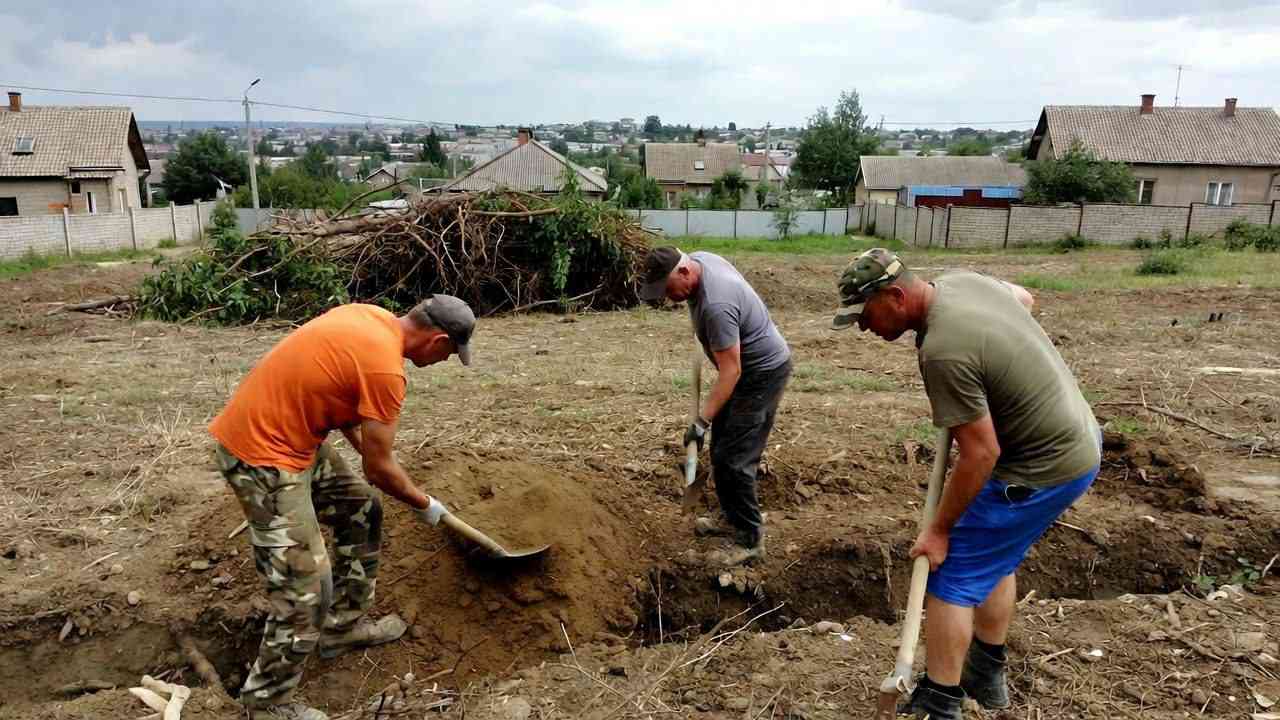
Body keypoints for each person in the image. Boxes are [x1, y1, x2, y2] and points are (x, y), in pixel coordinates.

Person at [832, 249, 1100, 720]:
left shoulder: (944, 351)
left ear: (895, 296)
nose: (863, 327)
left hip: (1042, 465)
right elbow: (1024, 298)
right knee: (994, 558)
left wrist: (938, 531)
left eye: (865, 314)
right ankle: (986, 675)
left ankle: (940, 701)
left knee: (952, 573)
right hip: (1078, 440)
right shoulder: (962, 283)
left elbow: (980, 454)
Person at [209, 295, 476, 720]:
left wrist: (380, 465)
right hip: (262, 457)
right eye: (449, 353)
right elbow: (379, 469)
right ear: (438, 341)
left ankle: (341, 627)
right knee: (308, 588)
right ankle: (266, 703)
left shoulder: (369, 316)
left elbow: (352, 415)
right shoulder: (387, 371)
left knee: (361, 507)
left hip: (292, 438)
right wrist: (426, 505)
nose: (444, 361)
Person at [639, 246, 792, 566]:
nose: (668, 297)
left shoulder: (717, 305)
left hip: (760, 374)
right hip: (744, 371)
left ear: (684, 272)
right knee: (721, 447)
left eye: (668, 288)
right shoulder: (700, 260)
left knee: (734, 458)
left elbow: (731, 371)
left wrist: (701, 422)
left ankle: (750, 539)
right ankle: (731, 517)